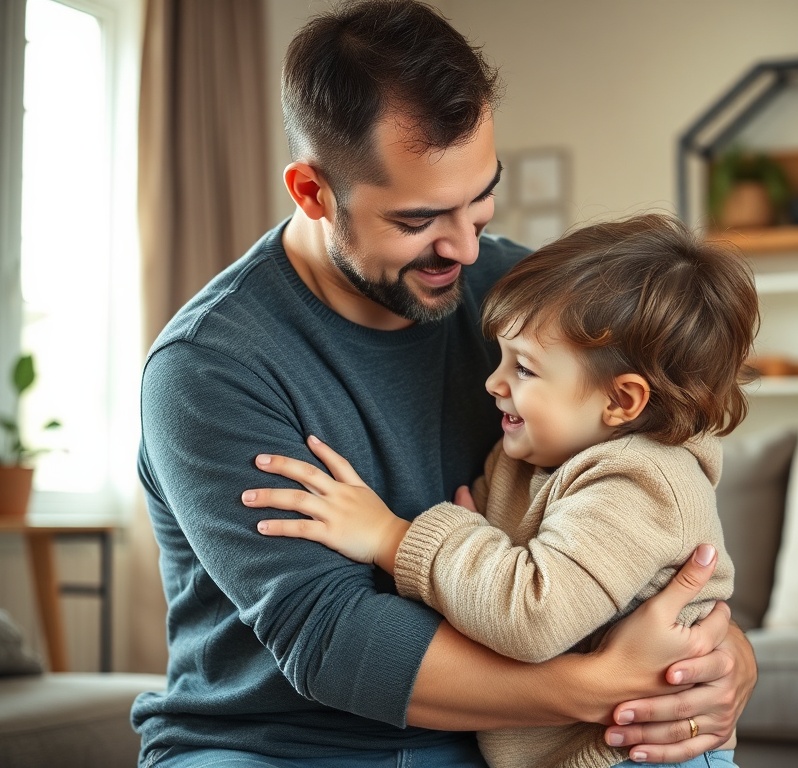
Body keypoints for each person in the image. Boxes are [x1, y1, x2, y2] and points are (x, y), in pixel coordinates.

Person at [132, 1, 758, 766]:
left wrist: (718, 664)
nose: (464, 247)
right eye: (420, 219)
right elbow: (332, 641)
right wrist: (599, 687)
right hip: (278, 743)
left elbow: (653, 516)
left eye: (482, 197)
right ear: (313, 193)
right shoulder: (211, 367)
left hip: (488, 740)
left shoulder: (535, 309)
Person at [245, 212, 758, 768]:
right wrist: (475, 552)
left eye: (525, 370)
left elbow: (530, 616)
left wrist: (391, 537)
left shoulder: (642, 481)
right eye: (501, 359)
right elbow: (481, 582)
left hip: (642, 758)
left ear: (622, 401)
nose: (494, 382)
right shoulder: (531, 455)